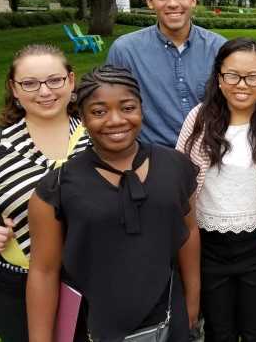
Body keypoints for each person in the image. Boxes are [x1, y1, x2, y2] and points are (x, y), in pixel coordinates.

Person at [27, 65, 200, 341]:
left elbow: (188, 231)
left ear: (142, 109)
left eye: (128, 107)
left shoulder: (176, 167)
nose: (115, 120)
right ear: (82, 118)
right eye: (98, 111)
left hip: (167, 315)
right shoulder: (57, 188)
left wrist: (192, 299)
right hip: (95, 323)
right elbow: (43, 271)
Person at [176, 38, 256, 342]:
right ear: (219, 77)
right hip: (209, 248)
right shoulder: (198, 119)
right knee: (219, 331)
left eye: (253, 77)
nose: (241, 84)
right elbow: (178, 184)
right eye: (232, 75)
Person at [0, 44, 89, 342]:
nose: (44, 92)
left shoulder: (99, 136)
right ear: (14, 88)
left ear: (71, 81)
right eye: (30, 83)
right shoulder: (0, 144)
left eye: (54, 80)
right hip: (19, 287)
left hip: (95, 283)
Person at [107, 0, 226, 147]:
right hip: (153, 160)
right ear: (150, 1)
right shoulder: (126, 51)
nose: (172, 3)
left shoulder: (219, 48)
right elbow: (113, 108)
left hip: (211, 154)